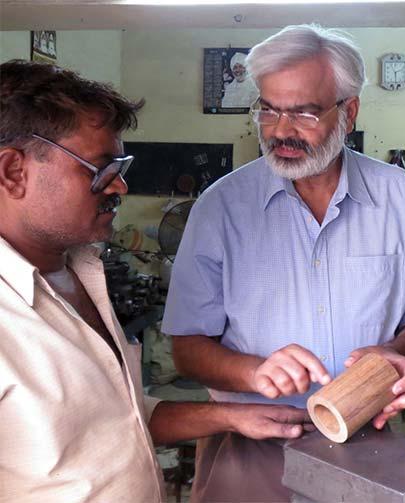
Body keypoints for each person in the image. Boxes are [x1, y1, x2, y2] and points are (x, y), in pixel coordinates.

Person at [163, 24, 405, 502]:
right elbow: (187, 346)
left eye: (303, 112)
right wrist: (253, 372)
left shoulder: (402, 199)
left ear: (348, 111)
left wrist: (394, 353)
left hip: (370, 442)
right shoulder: (220, 208)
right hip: (248, 448)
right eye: (268, 109)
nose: (281, 130)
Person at [0, 59, 312, 502]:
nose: (120, 187)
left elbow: (113, 421)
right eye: (101, 170)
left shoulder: (80, 273)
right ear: (14, 171)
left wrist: (232, 417)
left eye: (120, 167)